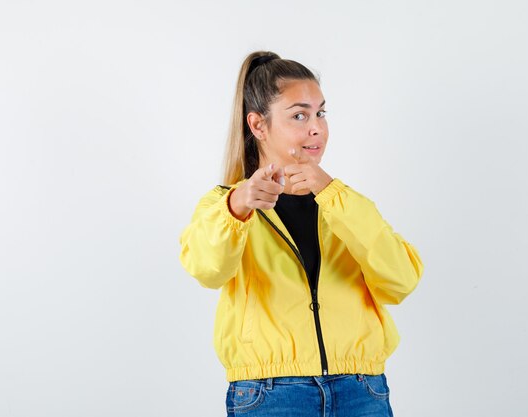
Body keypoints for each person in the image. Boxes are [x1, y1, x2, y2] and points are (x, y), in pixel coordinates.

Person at [179, 51, 424, 417]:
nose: (316, 128)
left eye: (320, 113)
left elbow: (401, 282)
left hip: (361, 389)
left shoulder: (345, 205)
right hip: (271, 393)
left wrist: (335, 196)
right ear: (258, 126)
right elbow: (206, 269)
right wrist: (238, 204)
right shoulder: (224, 206)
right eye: (299, 115)